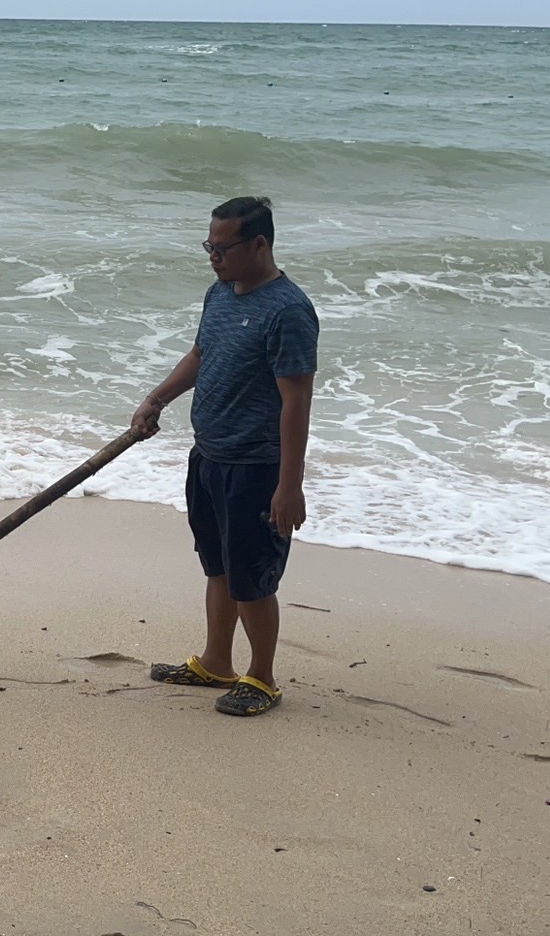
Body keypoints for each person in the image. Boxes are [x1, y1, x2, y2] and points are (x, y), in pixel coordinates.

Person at [133, 196, 319, 718]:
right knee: (217, 566)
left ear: (259, 244)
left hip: (256, 467)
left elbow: (296, 400)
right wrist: (157, 398)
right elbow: (201, 354)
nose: (212, 257)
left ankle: (262, 679)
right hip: (209, 456)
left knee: (252, 580)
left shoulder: (288, 311)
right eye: (208, 246)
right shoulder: (221, 292)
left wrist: (289, 485)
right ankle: (217, 662)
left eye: (222, 248)